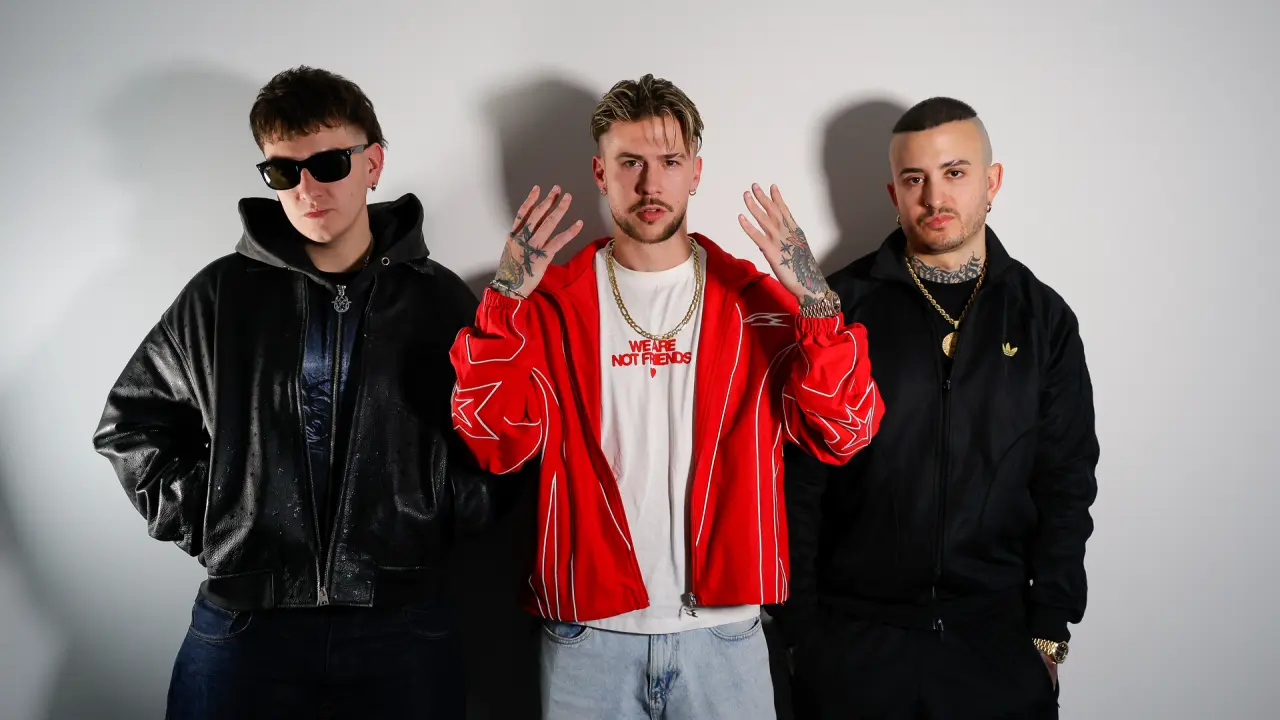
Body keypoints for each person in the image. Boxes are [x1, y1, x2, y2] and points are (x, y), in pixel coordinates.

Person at [448, 73, 884, 720]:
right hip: (586, 640)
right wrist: (506, 298)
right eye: (631, 163)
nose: (651, 185)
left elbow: (845, 432)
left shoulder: (758, 306)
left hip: (725, 634)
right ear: (600, 172)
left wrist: (816, 301)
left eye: (670, 162)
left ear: (696, 172)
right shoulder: (547, 308)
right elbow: (495, 443)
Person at [92, 66, 489, 719]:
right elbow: (131, 426)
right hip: (247, 628)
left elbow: (499, 435)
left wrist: (436, 514)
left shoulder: (437, 299)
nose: (307, 188)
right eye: (283, 171)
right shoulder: (219, 296)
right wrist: (220, 523)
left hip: (403, 626)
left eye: (328, 164)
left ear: (373, 164)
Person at [778, 96, 1099, 719]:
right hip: (854, 644)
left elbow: (1067, 481)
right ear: (893, 193)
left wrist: (1049, 631)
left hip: (996, 642)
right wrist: (799, 633)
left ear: (991, 181)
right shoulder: (838, 308)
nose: (934, 197)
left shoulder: (1042, 319)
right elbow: (799, 480)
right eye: (914, 179)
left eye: (954, 172)